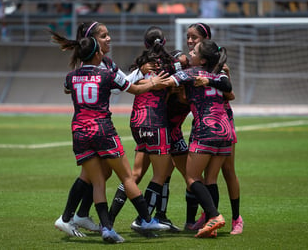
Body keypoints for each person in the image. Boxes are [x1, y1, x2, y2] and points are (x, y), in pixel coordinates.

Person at [51, 30, 171, 243]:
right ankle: (146, 219)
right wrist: (153, 83)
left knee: (97, 182)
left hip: (79, 131)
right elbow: (133, 88)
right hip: (102, 130)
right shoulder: (107, 74)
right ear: (97, 54)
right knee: (126, 176)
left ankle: (107, 228)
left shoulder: (71, 76)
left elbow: (67, 90)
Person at [109, 26, 182, 234]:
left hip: (136, 122)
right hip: (156, 122)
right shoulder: (169, 65)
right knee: (162, 173)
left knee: (136, 174)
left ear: (145, 44)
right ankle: (144, 219)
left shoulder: (140, 65)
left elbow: (127, 84)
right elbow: (182, 71)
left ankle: (110, 220)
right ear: (165, 42)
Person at [165, 39, 233, 238]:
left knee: (192, 177)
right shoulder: (218, 73)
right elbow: (227, 85)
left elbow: (170, 81)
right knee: (210, 180)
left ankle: (214, 216)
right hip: (225, 131)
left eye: (194, 53)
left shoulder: (192, 72)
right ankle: (211, 224)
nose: (190, 55)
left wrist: (151, 81)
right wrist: (210, 80)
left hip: (206, 130)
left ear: (202, 60)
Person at [184, 23, 243, 235]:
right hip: (207, 122)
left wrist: (207, 80)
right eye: (188, 37)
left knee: (225, 171)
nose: (190, 41)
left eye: (194, 37)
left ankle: (235, 218)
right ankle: (209, 217)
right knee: (207, 176)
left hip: (219, 120)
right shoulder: (193, 65)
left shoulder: (217, 68)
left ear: (206, 40)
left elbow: (230, 94)